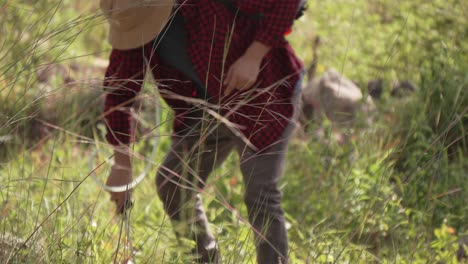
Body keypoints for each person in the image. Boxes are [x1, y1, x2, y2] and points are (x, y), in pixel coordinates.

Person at [103, 0, 304, 263]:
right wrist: (121, 164)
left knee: (260, 192)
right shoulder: (132, 21)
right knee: (173, 182)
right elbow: (119, 93)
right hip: (208, 108)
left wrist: (253, 55)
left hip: (266, 92)